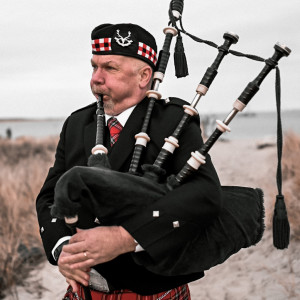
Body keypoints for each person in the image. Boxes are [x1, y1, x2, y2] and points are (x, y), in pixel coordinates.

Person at [36, 23, 222, 299]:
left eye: (110, 68)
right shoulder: (77, 123)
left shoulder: (173, 120)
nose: (96, 78)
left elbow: (204, 196)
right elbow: (50, 196)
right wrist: (62, 247)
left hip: (151, 289)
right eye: (94, 67)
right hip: (85, 289)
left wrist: (126, 238)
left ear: (144, 75)